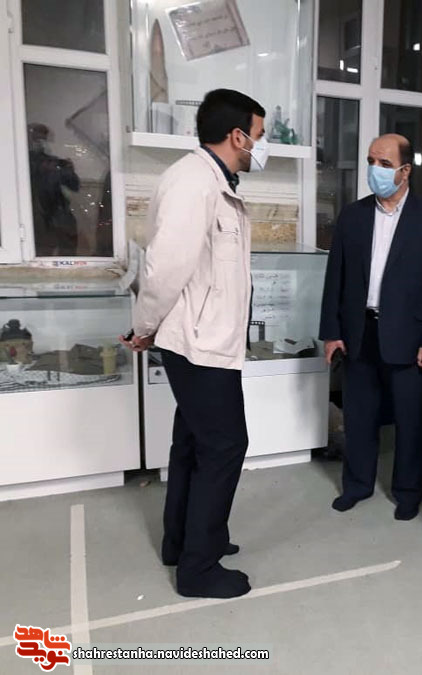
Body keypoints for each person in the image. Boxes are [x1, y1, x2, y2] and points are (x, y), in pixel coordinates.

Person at [121, 89, 270, 599]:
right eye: (258, 136)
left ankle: (182, 542)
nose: (260, 147)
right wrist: (143, 326)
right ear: (237, 136)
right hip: (199, 343)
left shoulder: (210, 180)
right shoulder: (195, 183)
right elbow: (164, 268)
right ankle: (198, 569)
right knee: (225, 446)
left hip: (204, 340)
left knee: (194, 442)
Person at [319, 133, 422, 521]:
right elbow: (335, 278)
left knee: (410, 420)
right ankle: (357, 485)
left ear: (405, 170)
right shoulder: (353, 216)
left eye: (383, 163)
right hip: (359, 332)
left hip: (410, 337)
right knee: (359, 416)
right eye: (370, 161)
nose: (374, 170)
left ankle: (408, 491)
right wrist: (332, 331)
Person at [28, 123, 81, 256]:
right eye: (36, 138)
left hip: (56, 214)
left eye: (43, 139)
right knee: (40, 252)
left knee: (68, 247)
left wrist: (68, 170)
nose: (40, 142)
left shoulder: (53, 162)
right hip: (34, 216)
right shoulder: (21, 162)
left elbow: (74, 186)